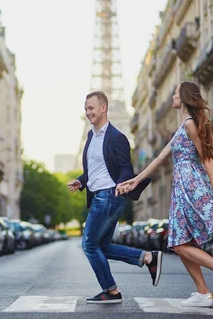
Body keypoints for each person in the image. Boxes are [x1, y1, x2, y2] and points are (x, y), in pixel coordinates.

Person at [116, 81, 213, 308]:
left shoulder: (190, 125)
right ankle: (203, 292)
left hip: (191, 186)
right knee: (181, 241)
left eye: (176, 94)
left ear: (185, 98)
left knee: (179, 244)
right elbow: (159, 159)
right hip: (181, 186)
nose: (172, 98)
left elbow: (208, 158)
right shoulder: (182, 128)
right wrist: (134, 181)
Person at [68, 91, 163, 304]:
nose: (88, 112)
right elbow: (95, 170)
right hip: (100, 195)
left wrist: (120, 185)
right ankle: (148, 258)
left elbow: (125, 168)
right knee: (101, 247)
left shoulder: (117, 137)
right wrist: (81, 181)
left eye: (91, 108)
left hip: (109, 195)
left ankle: (111, 290)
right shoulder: (91, 136)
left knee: (89, 245)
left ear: (103, 108)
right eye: (85, 109)